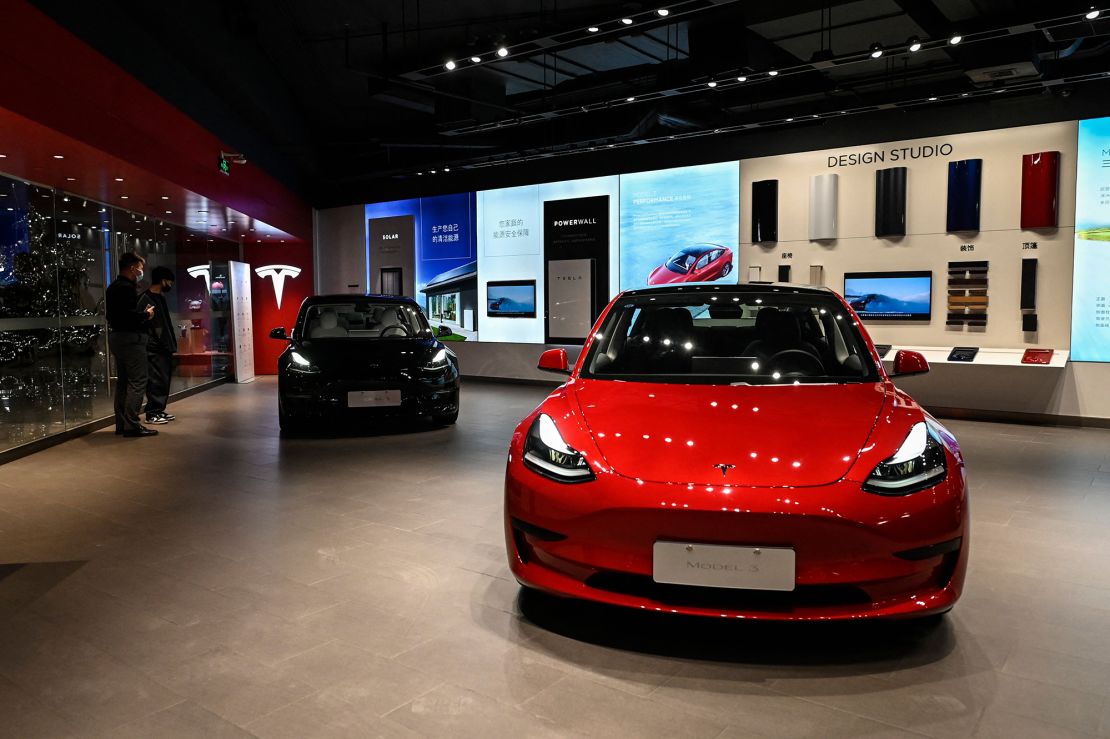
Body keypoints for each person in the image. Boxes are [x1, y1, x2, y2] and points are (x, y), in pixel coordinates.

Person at [106, 253, 157, 437]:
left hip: (117, 338)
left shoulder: (112, 287)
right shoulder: (127, 288)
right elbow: (129, 316)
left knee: (123, 382)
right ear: (132, 267)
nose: (141, 271)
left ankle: (121, 423)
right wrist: (146, 315)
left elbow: (114, 316)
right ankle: (132, 424)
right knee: (137, 381)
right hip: (131, 339)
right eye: (140, 267)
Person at [143, 266, 178, 424]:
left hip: (164, 346)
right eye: (169, 281)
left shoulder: (160, 298)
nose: (170, 285)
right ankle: (152, 412)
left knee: (163, 379)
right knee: (156, 379)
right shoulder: (147, 298)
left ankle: (159, 410)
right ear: (163, 280)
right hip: (155, 347)